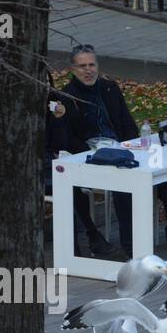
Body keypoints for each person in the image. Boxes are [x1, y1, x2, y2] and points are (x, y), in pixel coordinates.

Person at [61, 44, 167, 257]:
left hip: (123, 150)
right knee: (124, 183)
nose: (88, 70)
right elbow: (68, 139)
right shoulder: (66, 97)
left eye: (91, 64)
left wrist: (132, 146)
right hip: (92, 158)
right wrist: (95, 153)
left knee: (166, 172)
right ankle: (132, 246)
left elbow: (127, 123)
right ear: (73, 69)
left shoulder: (110, 88)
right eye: (82, 66)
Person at [45, 85, 121, 259]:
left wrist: (59, 119)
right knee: (67, 186)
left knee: (72, 184)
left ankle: (89, 238)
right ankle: (84, 240)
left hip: (52, 162)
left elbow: (60, 144)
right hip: (36, 168)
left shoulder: (52, 101)